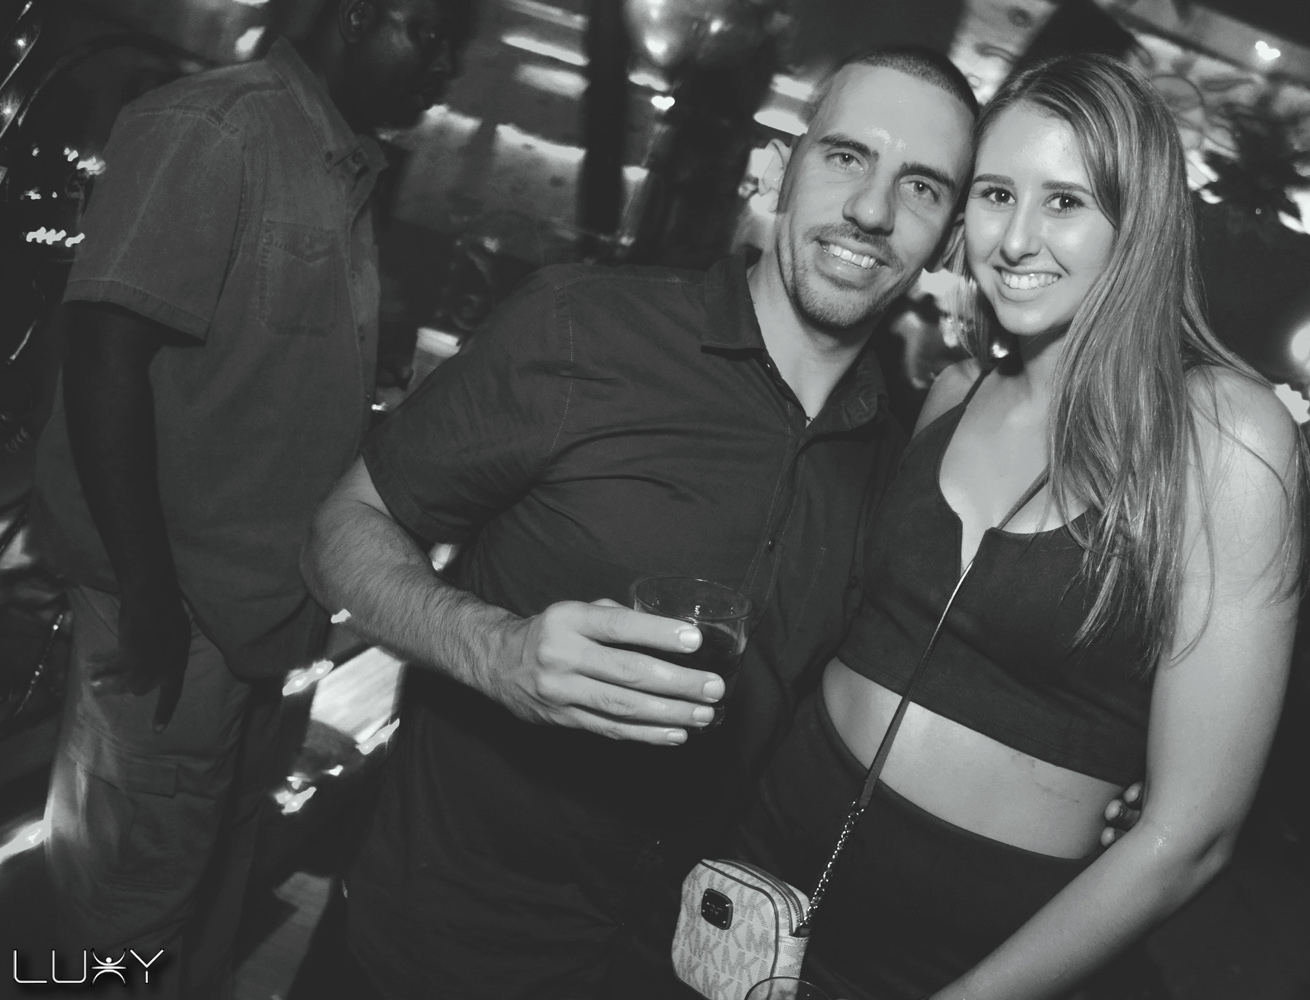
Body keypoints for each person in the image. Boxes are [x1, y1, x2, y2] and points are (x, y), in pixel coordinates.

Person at [300, 47, 978, 998]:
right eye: (845, 157)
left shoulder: (892, 468)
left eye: (921, 186)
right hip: (428, 953)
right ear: (780, 169)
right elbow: (341, 527)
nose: (872, 209)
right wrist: (496, 652)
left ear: (949, 240)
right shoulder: (584, 330)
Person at [733, 53, 1310, 1000]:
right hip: (766, 870)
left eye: (1066, 202)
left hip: (973, 960)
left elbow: (1193, 835)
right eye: (997, 194)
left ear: (1139, 224)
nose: (1015, 238)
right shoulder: (954, 390)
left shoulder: (1224, 437)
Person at [31, 1, 470, 994]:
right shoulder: (215, 127)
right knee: (126, 917)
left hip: (256, 623)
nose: (445, 68)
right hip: (172, 621)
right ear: (358, 15)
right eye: (431, 33)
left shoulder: (330, 159)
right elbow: (102, 355)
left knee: (198, 903)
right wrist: (148, 592)